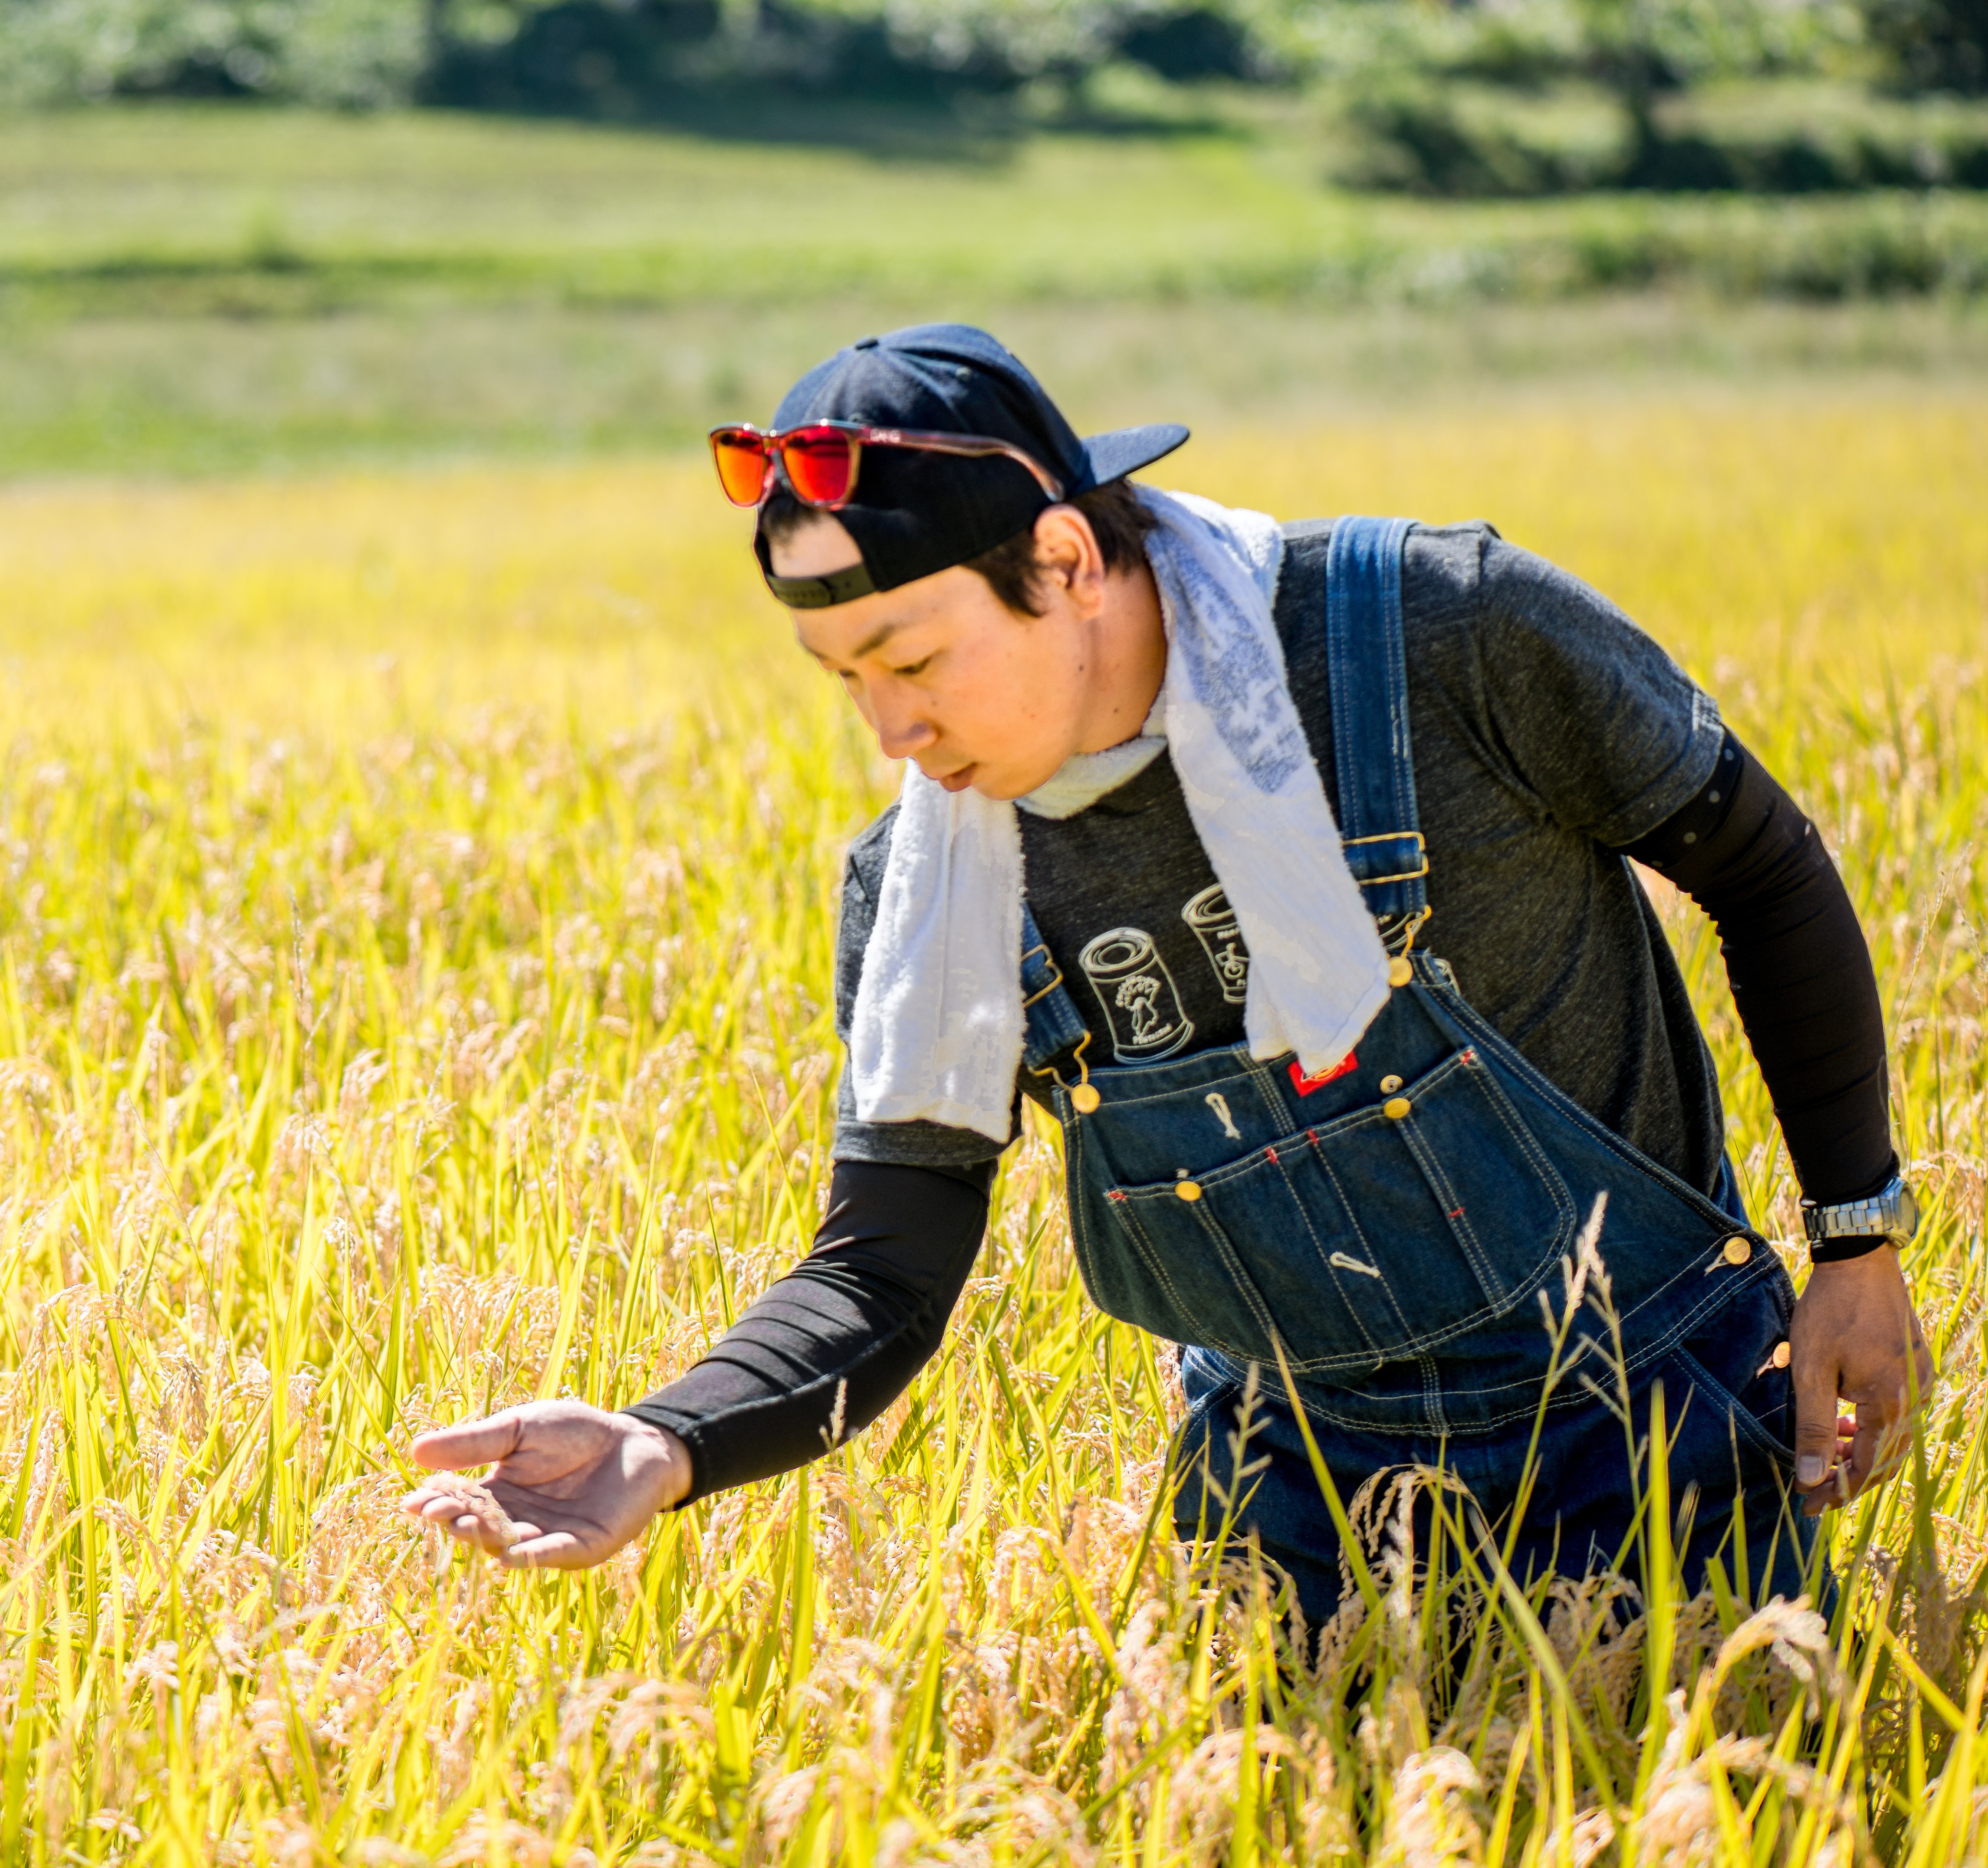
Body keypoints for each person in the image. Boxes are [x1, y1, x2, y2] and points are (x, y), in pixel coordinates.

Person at [401, 323, 1933, 1633]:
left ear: (1064, 558)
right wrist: (667, 1445)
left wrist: (1856, 1235)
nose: (890, 733)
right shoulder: (929, 887)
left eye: (915, 660)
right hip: (1290, 1503)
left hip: (1651, 1438)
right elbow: (883, 1274)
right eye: (844, 679)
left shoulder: (1437, 637)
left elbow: (1762, 868)